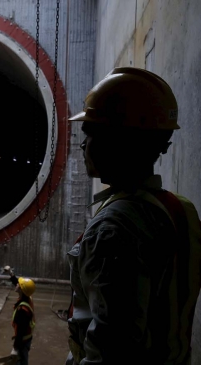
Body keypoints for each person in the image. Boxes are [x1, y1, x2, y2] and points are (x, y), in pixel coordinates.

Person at [65, 67, 201, 365]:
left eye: (90, 133)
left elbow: (112, 350)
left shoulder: (114, 230)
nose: (83, 144)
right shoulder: (181, 209)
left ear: (117, 142)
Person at [3, 266, 36, 365]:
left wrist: (15, 347)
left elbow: (20, 331)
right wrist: (10, 273)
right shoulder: (28, 296)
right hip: (27, 338)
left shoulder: (22, 310)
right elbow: (17, 282)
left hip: (23, 340)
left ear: (21, 290)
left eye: (19, 285)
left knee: (21, 361)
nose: (16, 284)